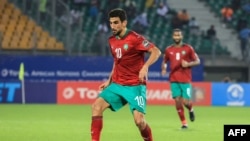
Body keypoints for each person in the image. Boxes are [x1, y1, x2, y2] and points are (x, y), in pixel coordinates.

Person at [91, 8, 161, 141]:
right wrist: (109, 81)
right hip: (117, 84)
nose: (113, 26)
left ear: (124, 23)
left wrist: (145, 67)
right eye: (111, 23)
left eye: (116, 22)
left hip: (135, 86)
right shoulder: (111, 40)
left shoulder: (135, 38)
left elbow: (156, 51)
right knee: (96, 106)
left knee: (139, 122)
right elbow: (117, 62)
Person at [161, 28, 200, 129]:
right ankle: (184, 123)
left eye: (179, 35)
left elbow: (197, 61)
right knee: (178, 101)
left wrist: (188, 64)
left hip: (186, 79)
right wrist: (164, 68)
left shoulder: (188, 48)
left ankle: (191, 109)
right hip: (174, 79)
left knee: (185, 102)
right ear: (173, 37)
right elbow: (165, 61)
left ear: (182, 36)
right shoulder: (169, 49)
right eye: (175, 35)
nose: (177, 37)